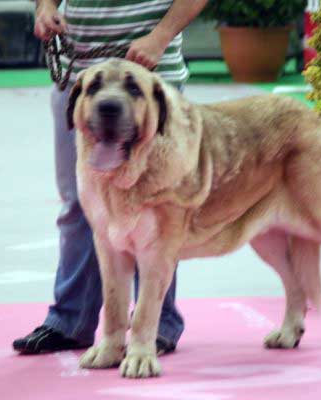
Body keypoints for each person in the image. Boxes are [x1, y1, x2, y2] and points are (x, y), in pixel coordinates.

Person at [13, 0, 208, 355]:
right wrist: (44, 8)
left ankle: (156, 325)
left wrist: (160, 36)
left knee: (158, 212)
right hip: (82, 81)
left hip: (149, 83)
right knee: (78, 206)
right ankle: (69, 321)